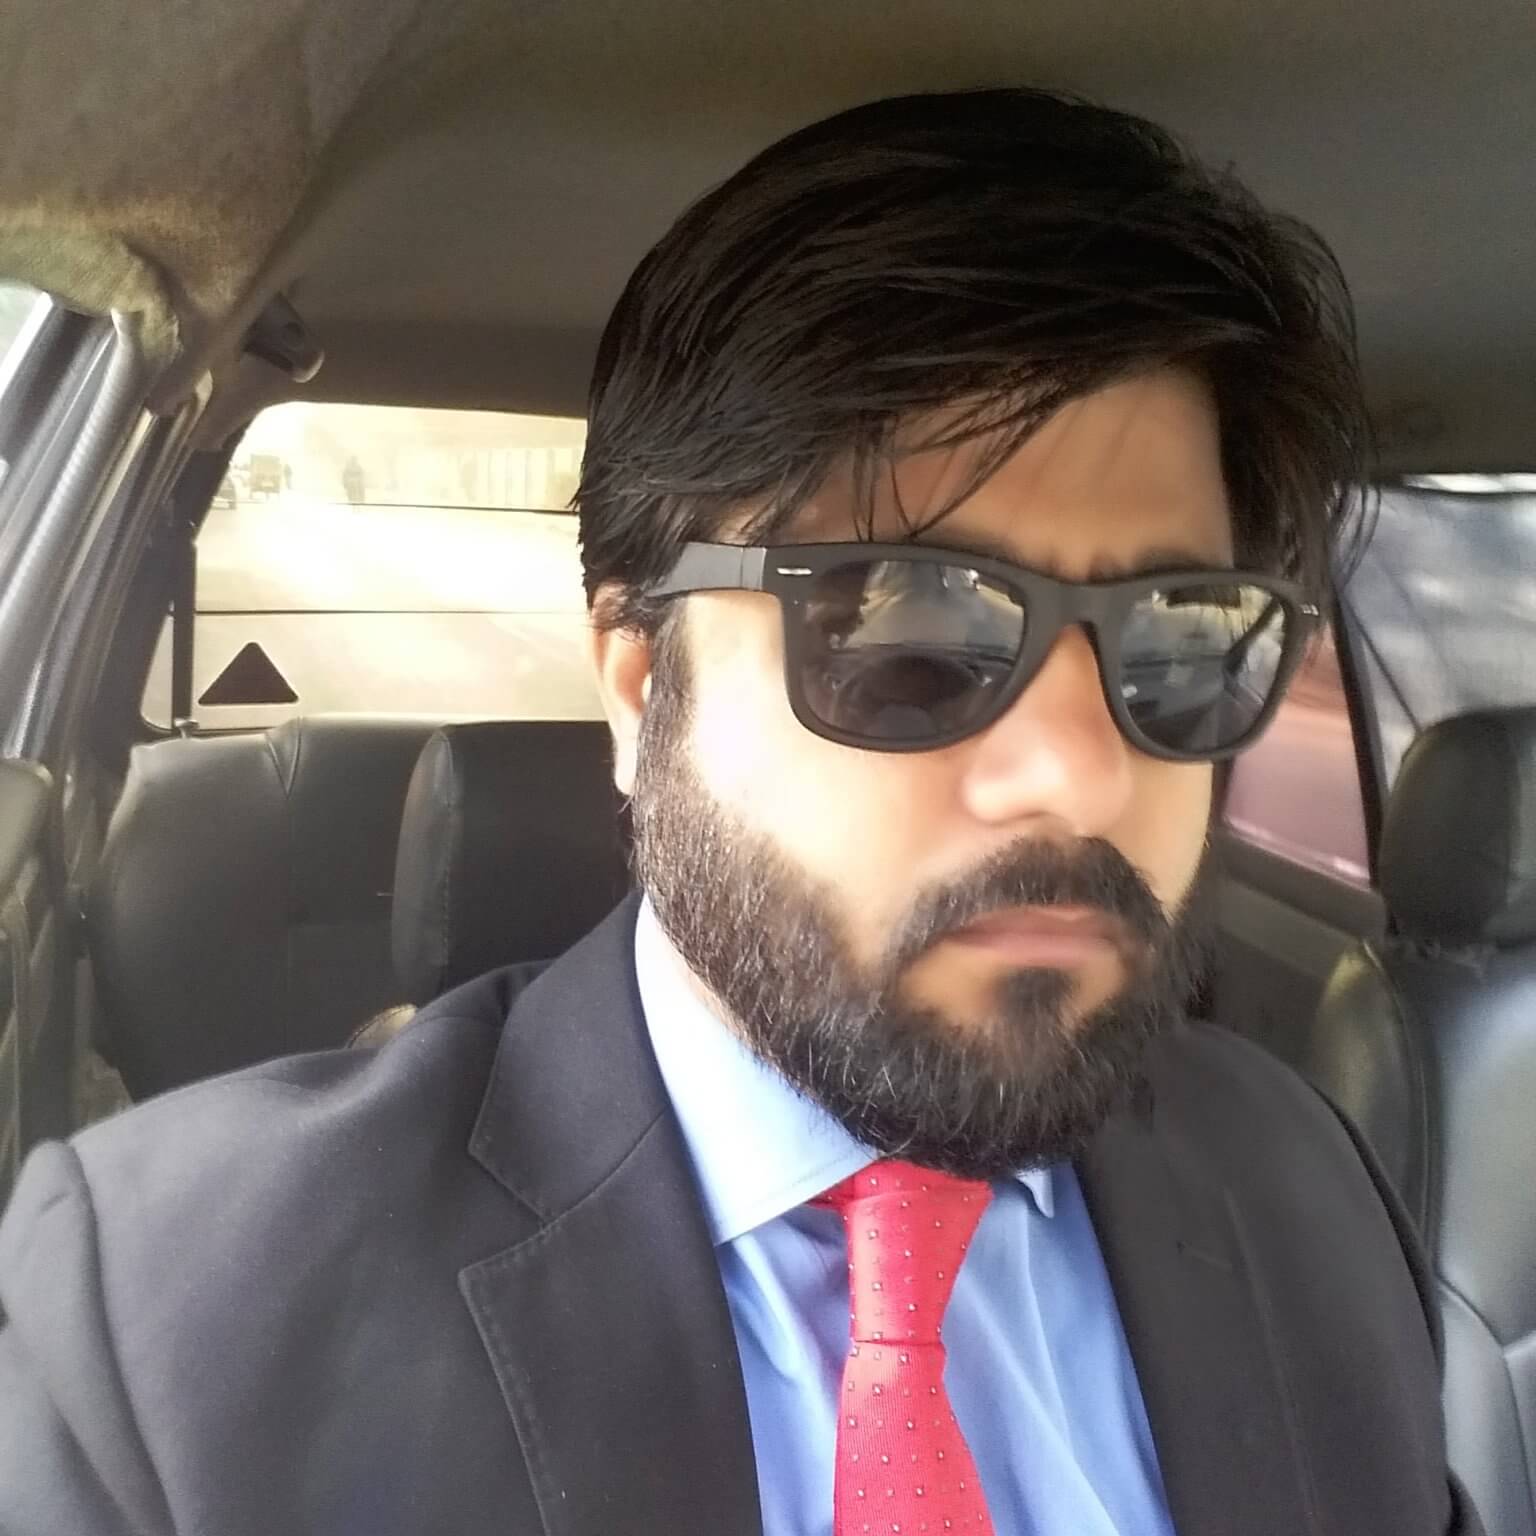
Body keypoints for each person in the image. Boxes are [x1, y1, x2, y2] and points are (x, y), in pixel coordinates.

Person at [0, 90, 1481, 1536]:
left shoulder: (1307, 1190)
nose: (1080, 777)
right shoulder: (169, 1330)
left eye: (1178, 639)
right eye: (910, 635)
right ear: (643, 685)